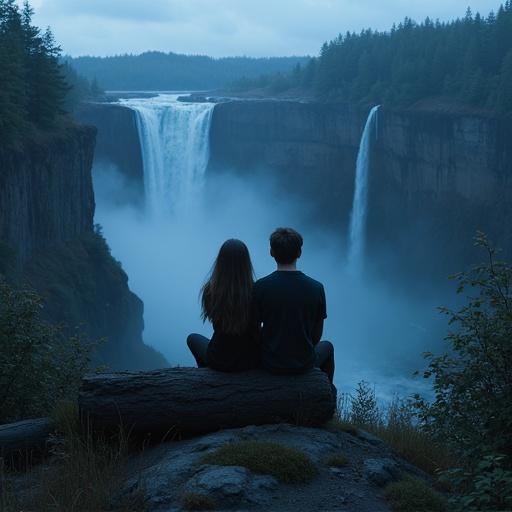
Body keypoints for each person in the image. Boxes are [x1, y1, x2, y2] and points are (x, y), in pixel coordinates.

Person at [254, 227, 335, 384]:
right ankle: (328, 393)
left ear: (271, 252)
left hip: (270, 363)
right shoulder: (316, 287)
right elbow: (317, 334)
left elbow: (254, 330)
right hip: (304, 364)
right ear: (299, 253)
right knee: (328, 347)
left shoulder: (260, 287)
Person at [187, 238, 260, 372]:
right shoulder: (257, 291)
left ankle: (206, 375)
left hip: (219, 358)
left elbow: (213, 319)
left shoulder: (210, 291)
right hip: (250, 360)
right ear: (246, 263)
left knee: (192, 339)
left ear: (220, 262)